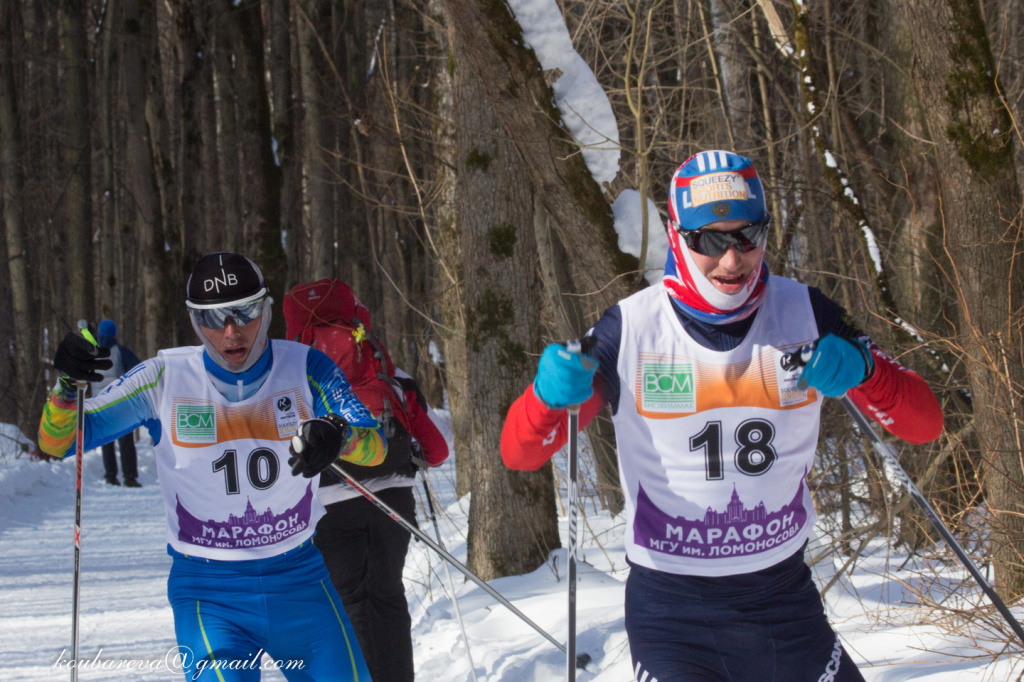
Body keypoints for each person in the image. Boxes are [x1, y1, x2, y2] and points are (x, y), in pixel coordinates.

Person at [500, 151, 944, 682]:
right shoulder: (632, 331)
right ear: (675, 233)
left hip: (783, 602)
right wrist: (546, 398)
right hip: (674, 613)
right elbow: (521, 454)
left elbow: (925, 424)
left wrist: (866, 368)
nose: (731, 260)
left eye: (747, 236)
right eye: (709, 240)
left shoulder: (806, 313)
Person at [39, 252, 387, 681]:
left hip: (299, 583)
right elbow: (58, 442)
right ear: (192, 320)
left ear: (267, 309)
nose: (231, 331)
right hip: (209, 594)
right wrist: (66, 385)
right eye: (212, 318)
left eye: (245, 313)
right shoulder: (163, 378)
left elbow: (375, 446)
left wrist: (339, 435)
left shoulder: (306, 367)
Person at [283, 278, 450, 682]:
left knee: (346, 605)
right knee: (387, 598)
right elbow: (437, 451)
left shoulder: (291, 379)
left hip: (328, 507)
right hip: (394, 501)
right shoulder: (389, 370)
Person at [89, 319, 143, 487]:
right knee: (126, 441)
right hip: (120, 403)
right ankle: (130, 477)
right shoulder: (120, 352)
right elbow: (139, 369)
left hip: (99, 404)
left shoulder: (92, 354)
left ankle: (110, 476)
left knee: (107, 441)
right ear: (114, 335)